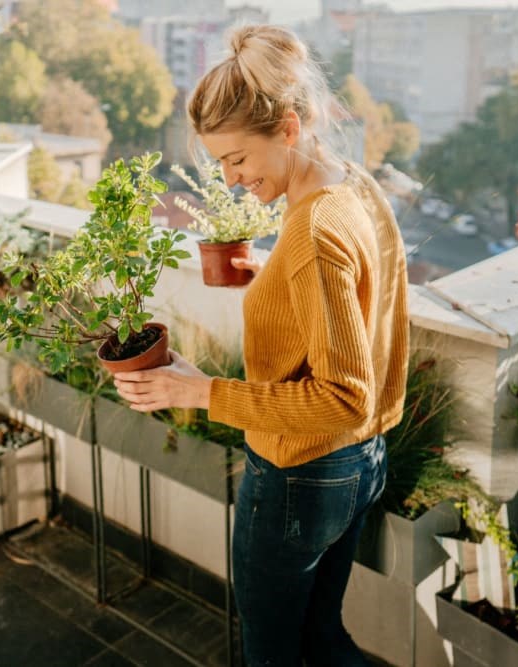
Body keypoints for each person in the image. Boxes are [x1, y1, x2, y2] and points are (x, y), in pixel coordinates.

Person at [113, 24, 410, 667]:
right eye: (219, 164)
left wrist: (196, 391)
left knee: (273, 653)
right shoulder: (348, 183)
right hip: (360, 464)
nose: (229, 179)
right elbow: (360, 288)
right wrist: (271, 275)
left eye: (238, 159)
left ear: (289, 129)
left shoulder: (315, 234)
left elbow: (341, 398)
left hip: (302, 474)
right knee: (321, 638)